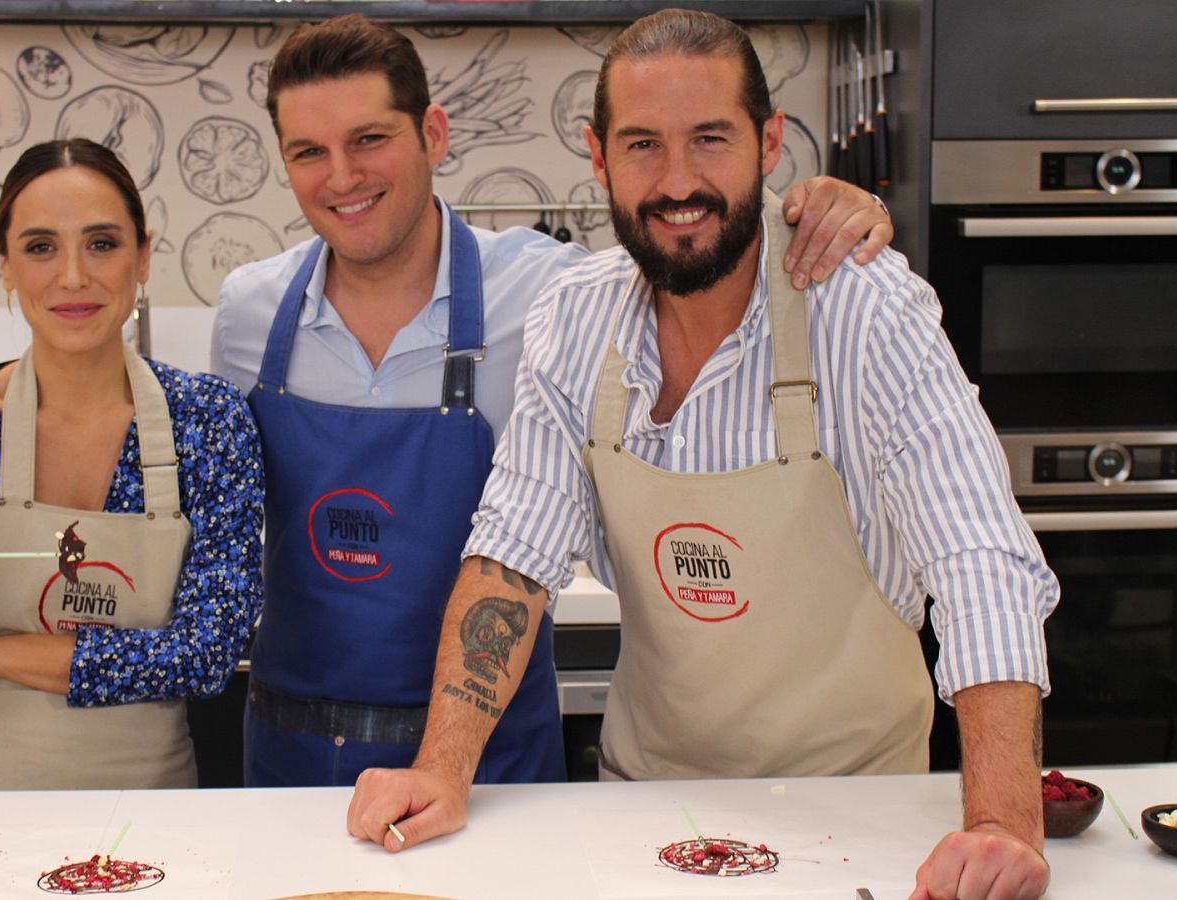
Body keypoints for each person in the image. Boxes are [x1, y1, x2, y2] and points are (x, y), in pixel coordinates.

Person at [344, 11, 1060, 900]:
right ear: (599, 157)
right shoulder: (575, 319)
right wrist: (443, 771)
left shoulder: (865, 311)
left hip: (861, 820)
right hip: (647, 814)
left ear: (767, 144)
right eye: (642, 145)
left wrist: (1000, 821)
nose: (677, 181)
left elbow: (979, 561)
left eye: (709, 139)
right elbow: (512, 558)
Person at [210, 14, 897, 789]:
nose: (341, 177)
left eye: (369, 139)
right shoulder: (247, 315)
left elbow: (690, 241)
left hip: (494, 754)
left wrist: (816, 207)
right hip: (291, 745)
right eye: (309, 152)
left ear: (433, 134)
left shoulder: (551, 290)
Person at [0, 138, 264, 791]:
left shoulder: (207, 421)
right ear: (5, 266)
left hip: (146, 796)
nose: (73, 276)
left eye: (102, 243)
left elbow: (206, 656)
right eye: (41, 247)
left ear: (143, 257)